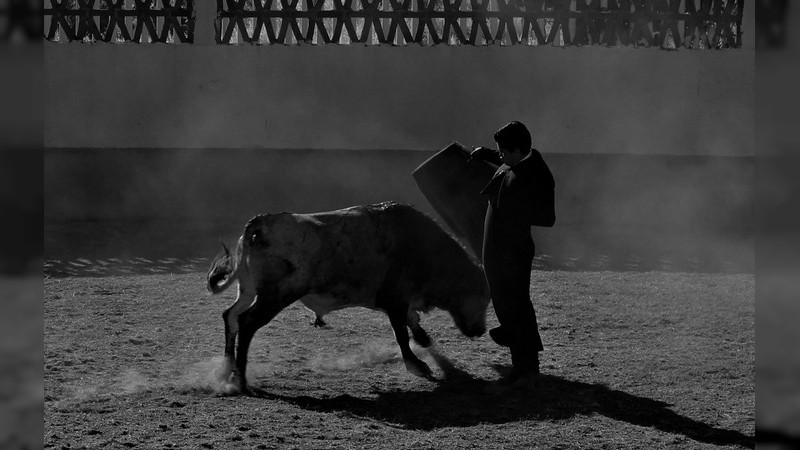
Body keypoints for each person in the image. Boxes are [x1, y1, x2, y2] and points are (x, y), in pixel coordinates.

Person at [470, 121, 555, 390]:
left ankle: (527, 367)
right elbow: (505, 161)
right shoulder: (516, 160)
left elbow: (548, 218)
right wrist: (484, 153)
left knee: (517, 306)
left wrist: (515, 213)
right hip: (498, 249)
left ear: (517, 150)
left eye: (503, 152)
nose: (501, 156)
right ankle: (521, 363)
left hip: (514, 251)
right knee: (505, 305)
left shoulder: (539, 174)